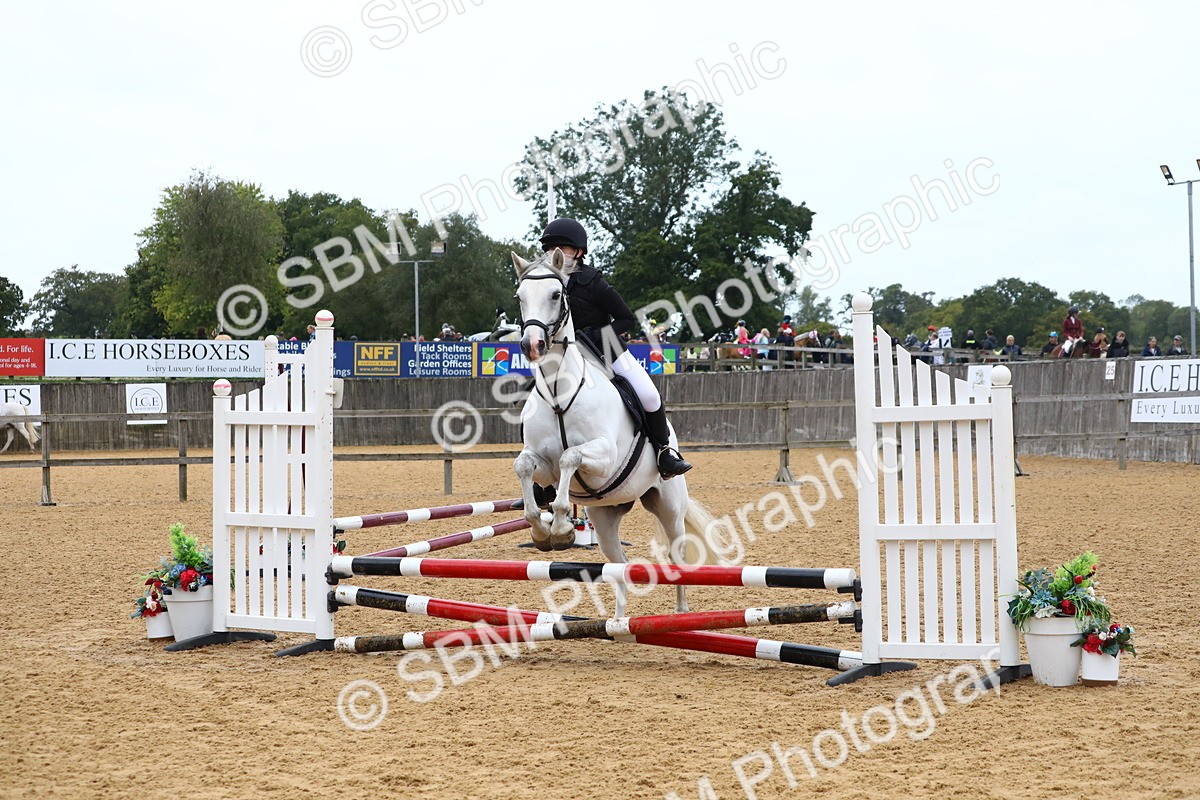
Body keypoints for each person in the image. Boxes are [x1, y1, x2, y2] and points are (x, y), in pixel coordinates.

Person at [537, 218, 691, 478]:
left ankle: (664, 452)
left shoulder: (592, 281)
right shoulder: (542, 282)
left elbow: (625, 318)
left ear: (579, 252)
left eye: (562, 248)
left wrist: (594, 335)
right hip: (562, 358)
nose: (555, 254)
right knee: (534, 403)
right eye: (550, 248)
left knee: (649, 395)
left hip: (606, 349)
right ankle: (539, 477)